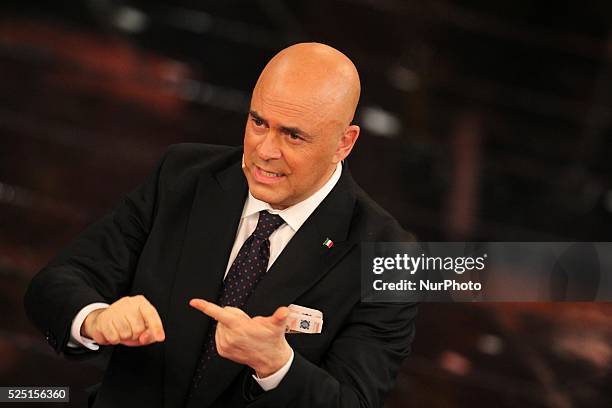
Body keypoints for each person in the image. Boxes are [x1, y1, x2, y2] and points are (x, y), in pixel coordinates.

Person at [24, 42, 417, 408]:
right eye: (259, 122)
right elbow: (56, 283)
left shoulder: (390, 255)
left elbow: (354, 402)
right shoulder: (181, 175)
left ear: (344, 143)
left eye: (293, 136)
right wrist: (95, 318)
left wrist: (277, 366)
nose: (265, 151)